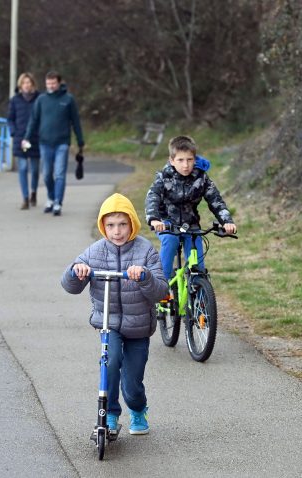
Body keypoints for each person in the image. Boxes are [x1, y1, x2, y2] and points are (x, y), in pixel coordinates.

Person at [61, 193, 168, 435]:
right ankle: (109, 413)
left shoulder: (145, 250)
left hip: (139, 326)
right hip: (109, 325)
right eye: (110, 225)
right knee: (109, 367)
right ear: (103, 226)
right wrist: (76, 272)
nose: (117, 231)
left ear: (132, 223)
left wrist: (144, 277)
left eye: (122, 224)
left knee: (132, 382)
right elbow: (70, 286)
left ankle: (138, 409)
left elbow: (161, 291)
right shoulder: (95, 251)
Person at [145, 135, 237, 280]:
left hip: (190, 225)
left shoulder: (201, 178)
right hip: (167, 223)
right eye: (180, 160)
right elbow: (153, 197)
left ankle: (198, 293)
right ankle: (161, 283)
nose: (185, 165)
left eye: (189, 160)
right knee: (170, 240)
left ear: (195, 159)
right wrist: (154, 219)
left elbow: (215, 200)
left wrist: (227, 221)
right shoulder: (163, 177)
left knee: (198, 265)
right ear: (172, 160)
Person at [23, 71, 85, 216]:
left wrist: (80, 140)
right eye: (48, 83)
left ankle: (58, 202)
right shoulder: (41, 100)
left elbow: (75, 122)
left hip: (62, 143)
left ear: (59, 83)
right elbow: (33, 120)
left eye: (53, 83)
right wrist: (26, 137)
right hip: (44, 143)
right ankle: (50, 198)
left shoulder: (68, 99)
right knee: (46, 174)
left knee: (59, 173)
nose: (50, 86)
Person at [7, 73, 41, 210]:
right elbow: (10, 119)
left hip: (35, 138)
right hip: (20, 138)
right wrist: (13, 132)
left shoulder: (40, 99)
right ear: (20, 85)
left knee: (34, 169)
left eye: (29, 82)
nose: (27, 85)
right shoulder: (15, 100)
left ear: (33, 84)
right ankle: (25, 198)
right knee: (22, 168)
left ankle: (33, 191)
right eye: (24, 83)